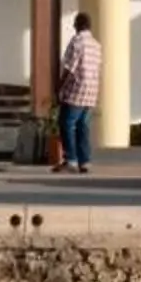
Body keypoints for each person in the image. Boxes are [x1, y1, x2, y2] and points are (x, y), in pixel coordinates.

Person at [54, 14, 103, 176]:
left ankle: (71, 160)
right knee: (83, 126)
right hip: (91, 91)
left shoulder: (77, 42)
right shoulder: (96, 45)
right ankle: (85, 161)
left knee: (66, 123)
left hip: (76, 90)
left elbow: (69, 68)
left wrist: (59, 87)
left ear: (78, 25)